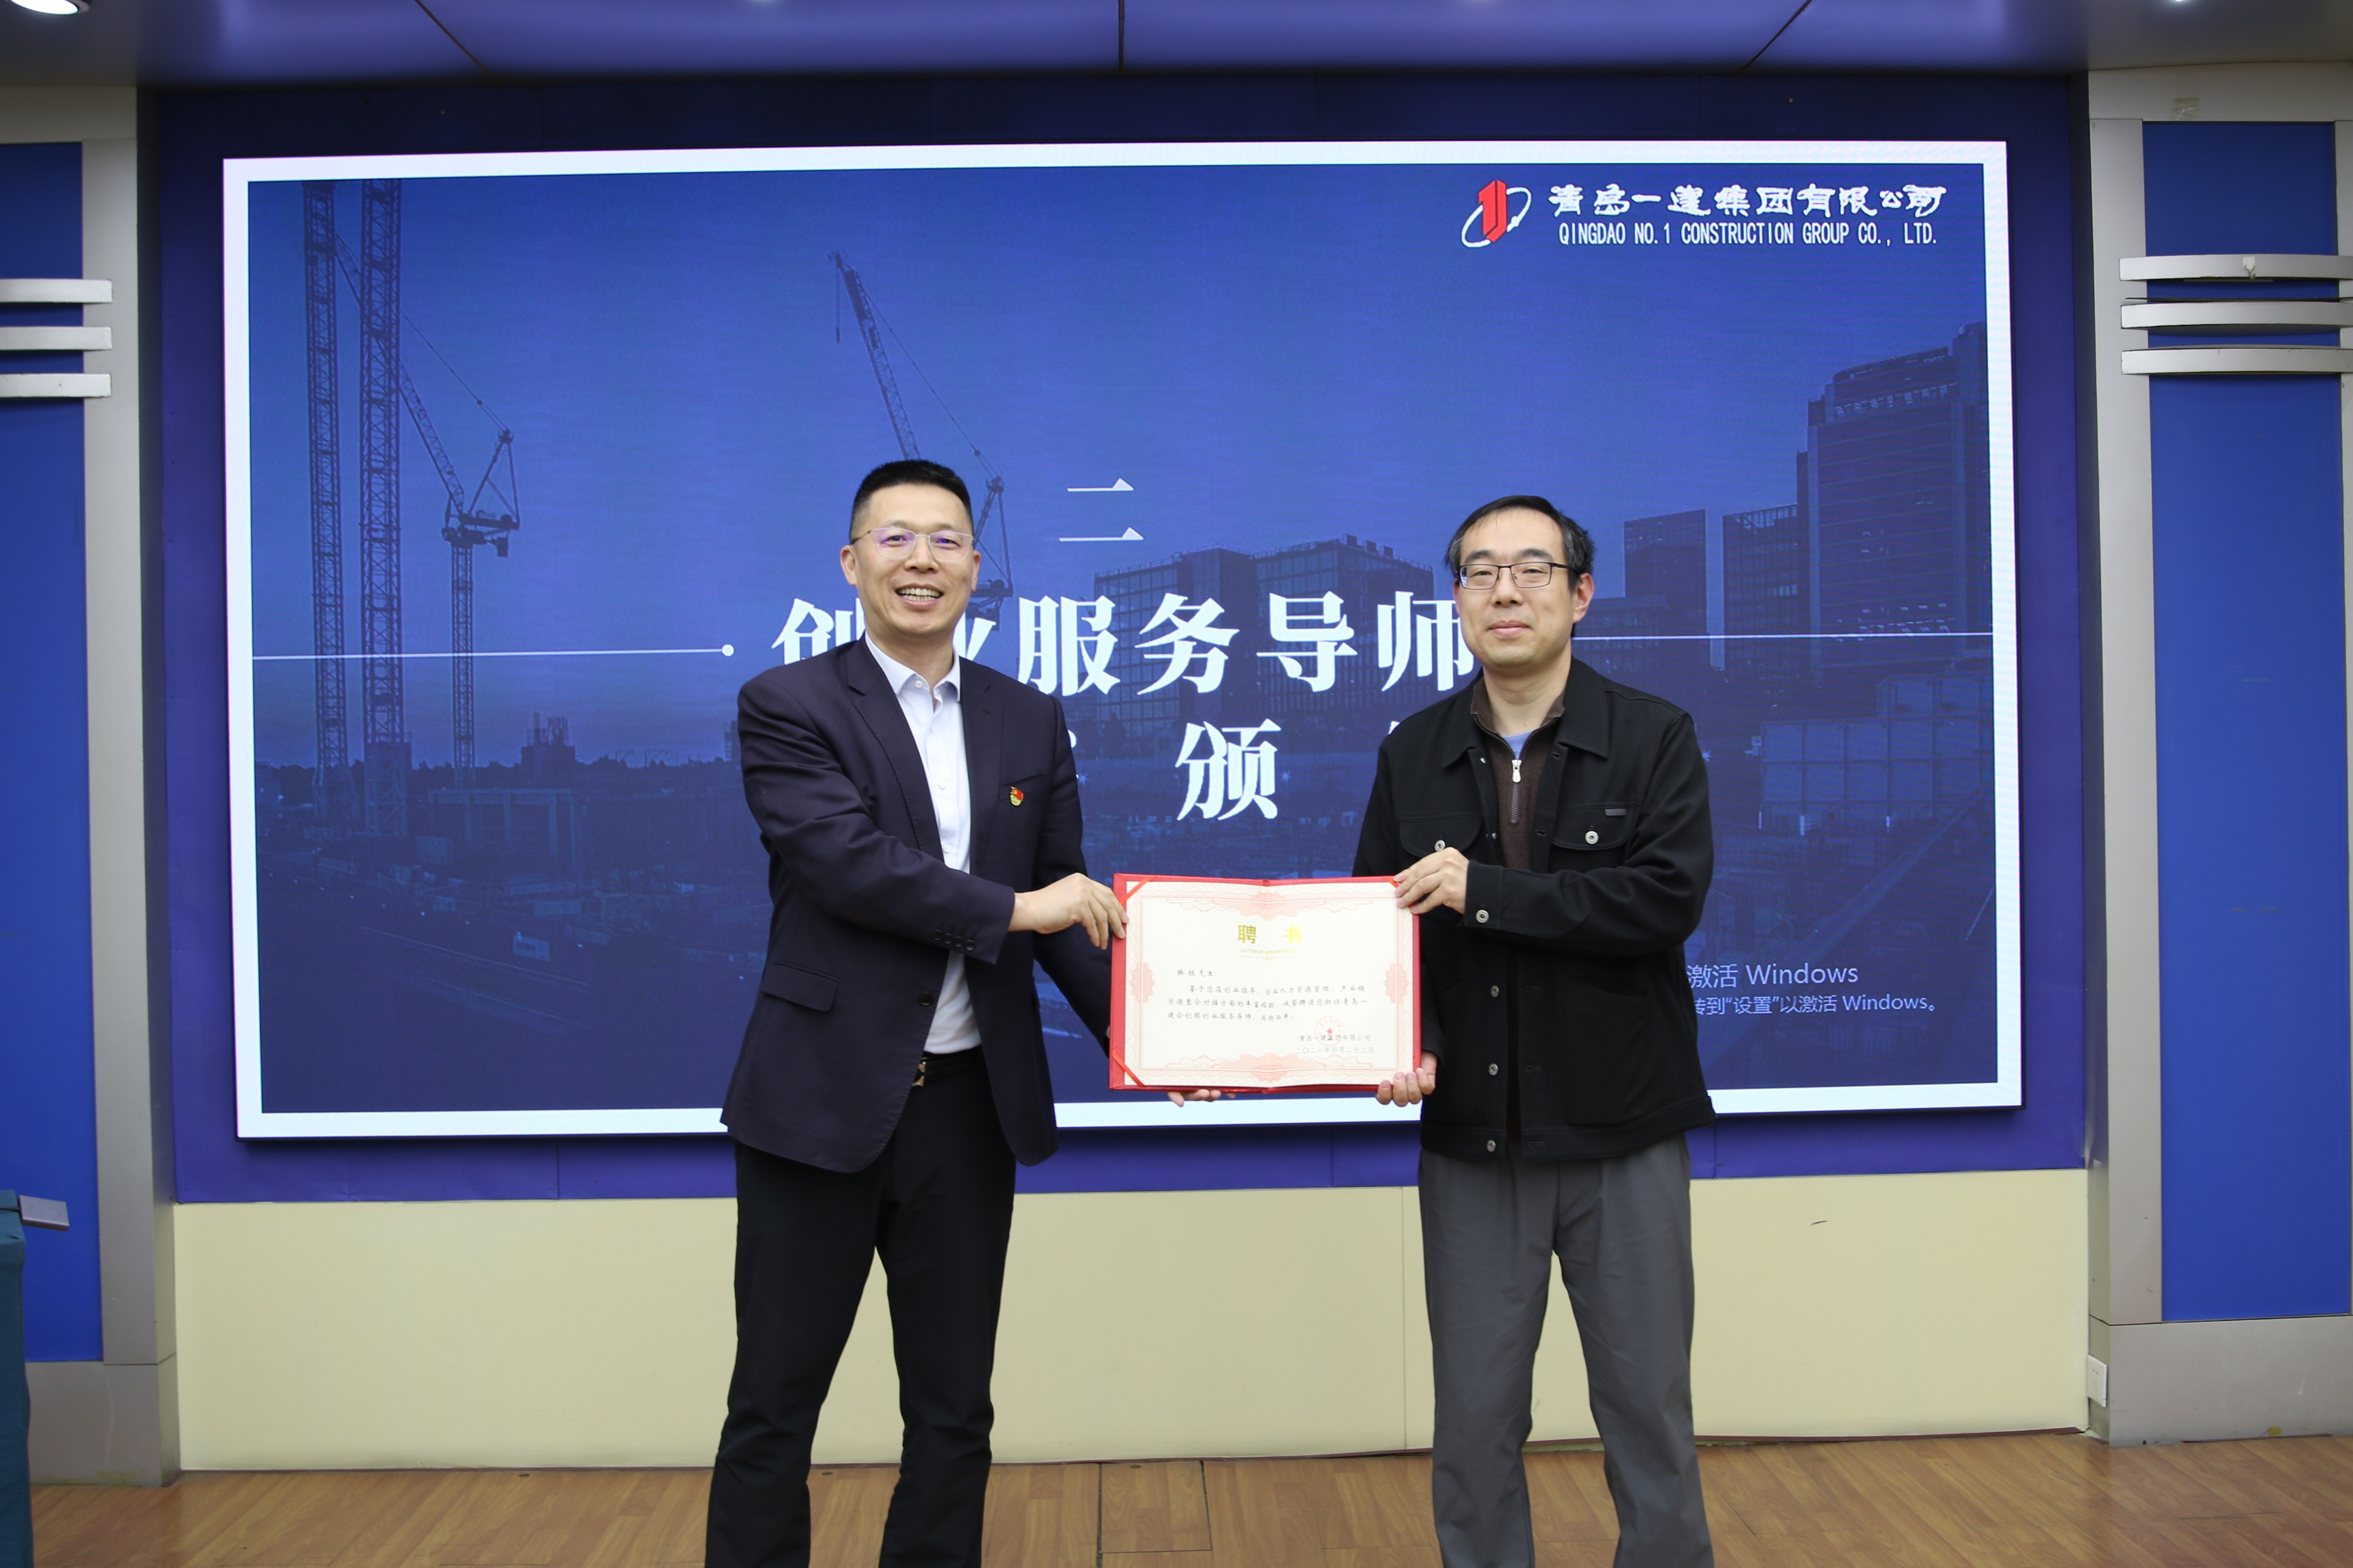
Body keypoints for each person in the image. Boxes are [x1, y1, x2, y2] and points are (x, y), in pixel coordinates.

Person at [709, 458, 1199, 1568]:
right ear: (851, 563)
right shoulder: (787, 705)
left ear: (978, 566)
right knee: (774, 1405)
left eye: (945, 540)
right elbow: (850, 866)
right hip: (818, 1105)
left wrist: (1155, 1042)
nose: (920, 560)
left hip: (968, 1110)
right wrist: (1020, 906)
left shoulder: (1028, 717)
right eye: (895, 538)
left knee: (953, 1408)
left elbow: (1069, 902)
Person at [1355, 495, 1718, 1568]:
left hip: (1624, 1131)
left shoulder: (1653, 735)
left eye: (1532, 569)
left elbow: (1664, 900)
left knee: (1648, 1412)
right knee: (1472, 1425)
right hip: (1474, 1135)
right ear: (1456, 597)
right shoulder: (1413, 750)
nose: (1504, 591)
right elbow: (1380, 925)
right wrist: (1403, 1039)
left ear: (1580, 593)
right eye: (1480, 571)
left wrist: (1487, 892)